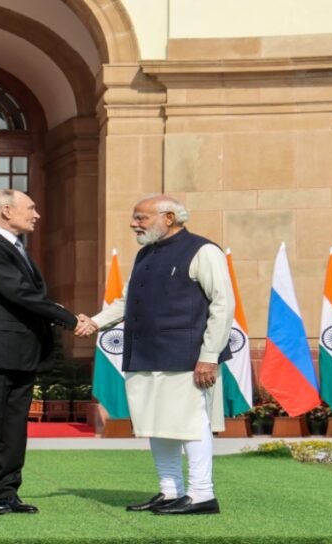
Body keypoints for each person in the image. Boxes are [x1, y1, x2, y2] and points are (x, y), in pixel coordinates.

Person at [76, 194, 234, 515]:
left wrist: (209, 355)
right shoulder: (145, 254)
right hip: (145, 353)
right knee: (156, 424)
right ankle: (170, 490)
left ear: (169, 218)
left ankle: (202, 495)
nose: (134, 223)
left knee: (190, 423)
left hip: (187, 357)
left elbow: (223, 304)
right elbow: (126, 301)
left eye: (141, 218)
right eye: (134, 217)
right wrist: (94, 322)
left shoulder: (204, 250)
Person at [0, 188, 86, 515]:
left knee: (13, 425)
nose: (36, 214)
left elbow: (23, 294)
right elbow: (18, 292)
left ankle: (3, 491)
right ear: (6, 211)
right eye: (31, 208)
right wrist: (68, 318)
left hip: (19, 351)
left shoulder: (15, 247)